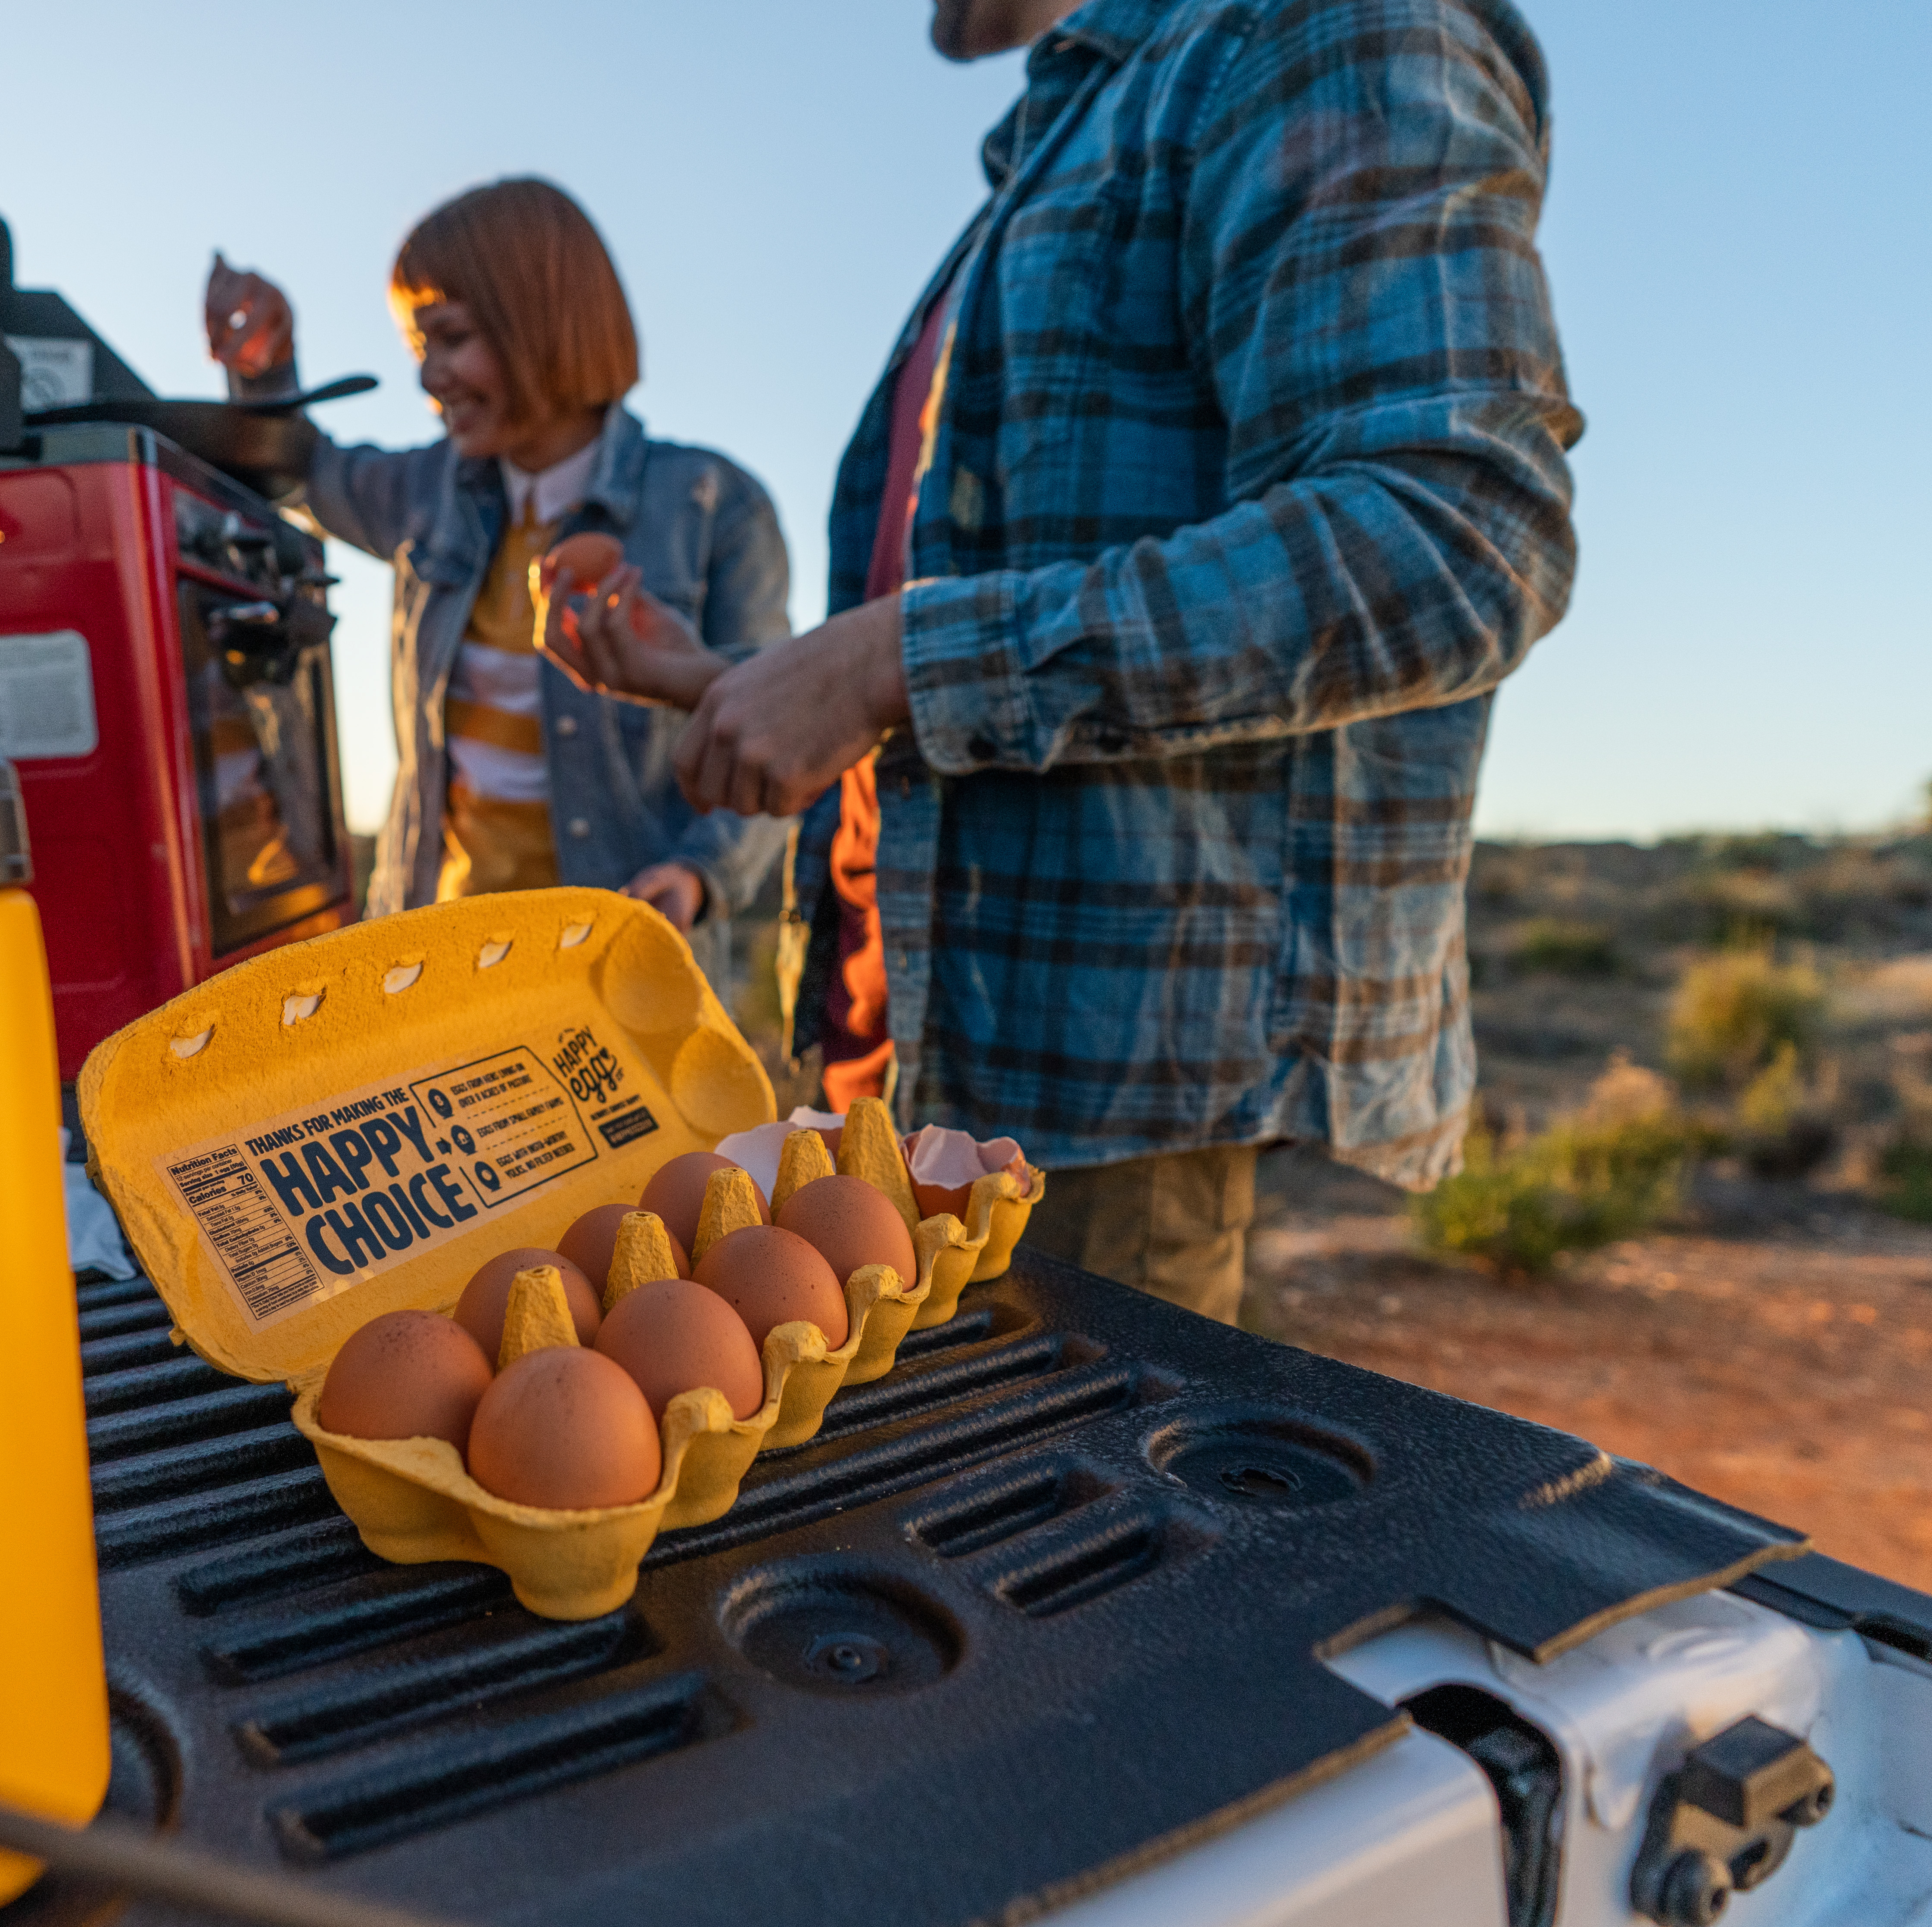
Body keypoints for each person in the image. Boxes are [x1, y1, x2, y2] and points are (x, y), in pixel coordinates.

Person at [546, 0, 1582, 1323]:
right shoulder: (1055, 155)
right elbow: (976, 651)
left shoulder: (1320, 31)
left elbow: (1457, 538)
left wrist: (888, 666)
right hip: (907, 1049)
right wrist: (730, 677)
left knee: (1060, 1521)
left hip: (1099, 1104)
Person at [202, 177, 787, 950]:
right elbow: (305, 471)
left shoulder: (717, 505)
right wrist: (266, 372)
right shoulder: (425, 491)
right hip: (441, 949)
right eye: (419, 348)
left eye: (449, 339)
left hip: (618, 957)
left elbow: (770, 731)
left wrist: (697, 876)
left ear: (540, 325)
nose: (427, 375)